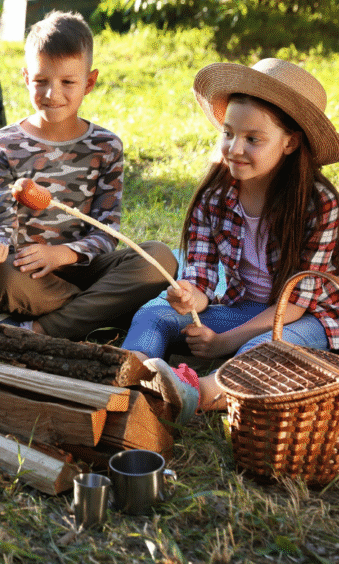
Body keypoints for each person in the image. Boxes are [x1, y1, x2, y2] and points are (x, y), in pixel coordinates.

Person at [122, 58, 339, 424]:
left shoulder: (320, 205)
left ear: (290, 143)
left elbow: (295, 305)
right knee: (155, 314)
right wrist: (191, 294)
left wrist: (224, 342)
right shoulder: (215, 197)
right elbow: (203, 277)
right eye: (228, 133)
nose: (235, 148)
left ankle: (198, 394)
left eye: (253, 139)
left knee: (267, 348)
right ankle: (126, 382)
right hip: (245, 309)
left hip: (308, 319)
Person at [0, 10, 177, 348]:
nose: (53, 94)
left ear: (89, 83)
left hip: (84, 265)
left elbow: (107, 233)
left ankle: (36, 332)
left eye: (67, 82)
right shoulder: (2, 145)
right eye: (41, 81)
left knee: (160, 258)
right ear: (25, 78)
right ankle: (105, 314)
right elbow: (0, 225)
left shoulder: (105, 146)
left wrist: (63, 254)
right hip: (27, 273)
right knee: (0, 278)